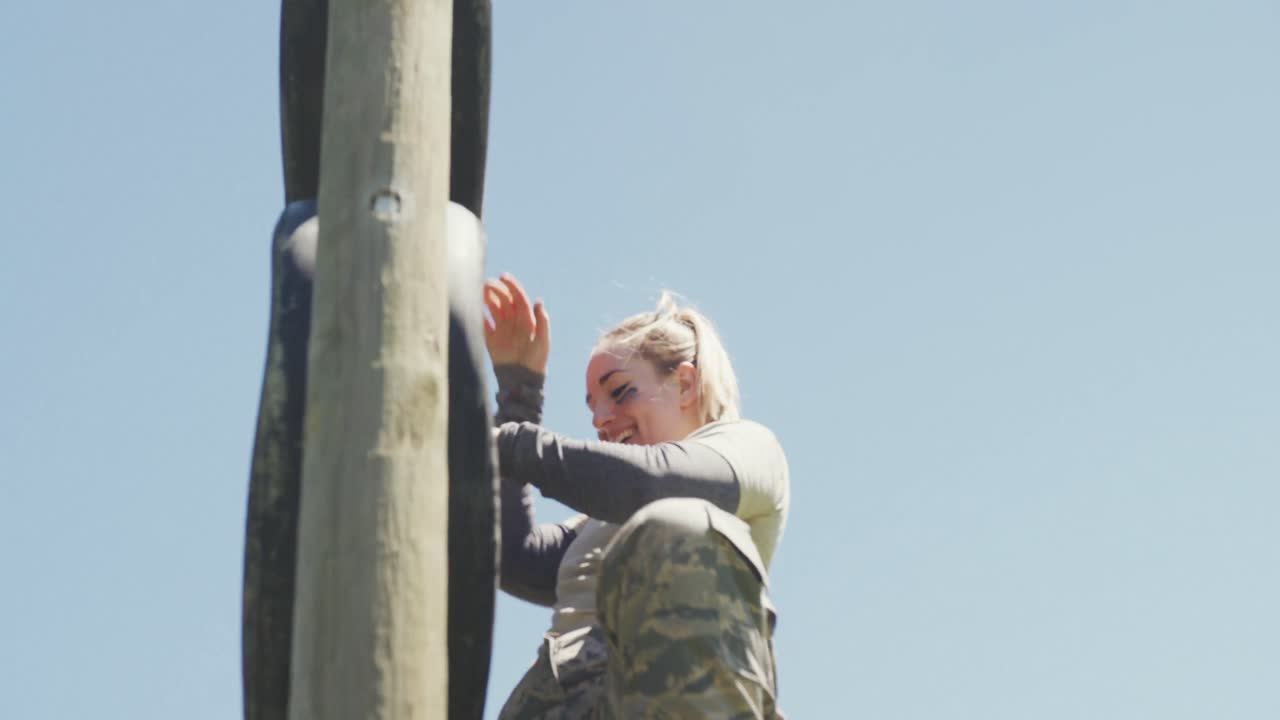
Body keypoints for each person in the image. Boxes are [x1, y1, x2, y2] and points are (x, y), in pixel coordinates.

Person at [485, 274, 790, 719]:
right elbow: (514, 556)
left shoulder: (746, 448)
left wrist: (504, 442)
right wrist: (519, 391)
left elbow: (651, 484)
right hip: (566, 705)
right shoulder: (601, 523)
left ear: (685, 384)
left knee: (674, 525)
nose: (602, 420)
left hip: (667, 697)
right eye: (591, 406)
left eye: (620, 392)